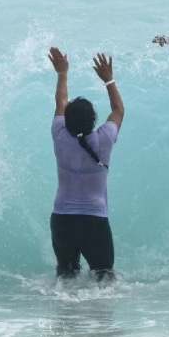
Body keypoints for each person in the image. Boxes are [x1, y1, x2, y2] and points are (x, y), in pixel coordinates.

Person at [49, 46, 124, 281]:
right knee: (104, 277)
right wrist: (108, 80)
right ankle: (99, 317)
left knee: (66, 276)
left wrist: (62, 73)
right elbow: (118, 110)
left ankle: (66, 316)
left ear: (67, 120)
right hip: (94, 220)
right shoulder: (104, 139)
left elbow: (60, 100)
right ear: (93, 121)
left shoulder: (59, 134)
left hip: (62, 218)